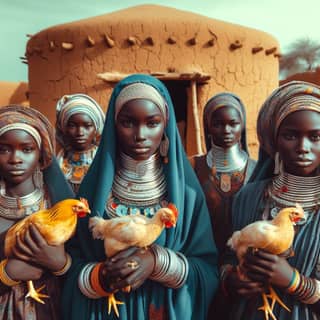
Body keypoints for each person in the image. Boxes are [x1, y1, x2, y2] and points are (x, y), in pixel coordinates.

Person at [62, 74, 219, 320]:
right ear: (114, 126)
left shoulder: (187, 196)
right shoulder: (92, 193)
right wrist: (100, 276)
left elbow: (207, 271)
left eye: (152, 123)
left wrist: (157, 261)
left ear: (166, 126)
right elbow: (69, 265)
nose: (140, 134)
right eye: (128, 122)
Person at [222, 81, 320, 320]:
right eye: (290, 136)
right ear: (274, 141)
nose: (303, 148)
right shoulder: (249, 196)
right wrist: (231, 279)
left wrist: (295, 281)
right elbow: (226, 257)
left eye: (315, 137)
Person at [0, 105, 74, 319]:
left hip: (51, 308)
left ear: (42, 156)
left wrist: (61, 264)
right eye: (4, 149)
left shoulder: (59, 204)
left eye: (27, 149)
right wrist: (6, 274)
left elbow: (85, 260)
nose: (15, 158)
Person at [191, 92, 256, 256]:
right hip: (202, 259)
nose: (226, 130)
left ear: (242, 126)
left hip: (245, 263)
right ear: (208, 127)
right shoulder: (192, 167)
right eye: (218, 124)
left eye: (233, 124)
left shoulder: (256, 170)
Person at [56, 93, 105, 192]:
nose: (80, 133)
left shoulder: (102, 160)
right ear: (64, 128)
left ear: (96, 129)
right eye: (72, 126)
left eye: (87, 126)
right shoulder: (58, 161)